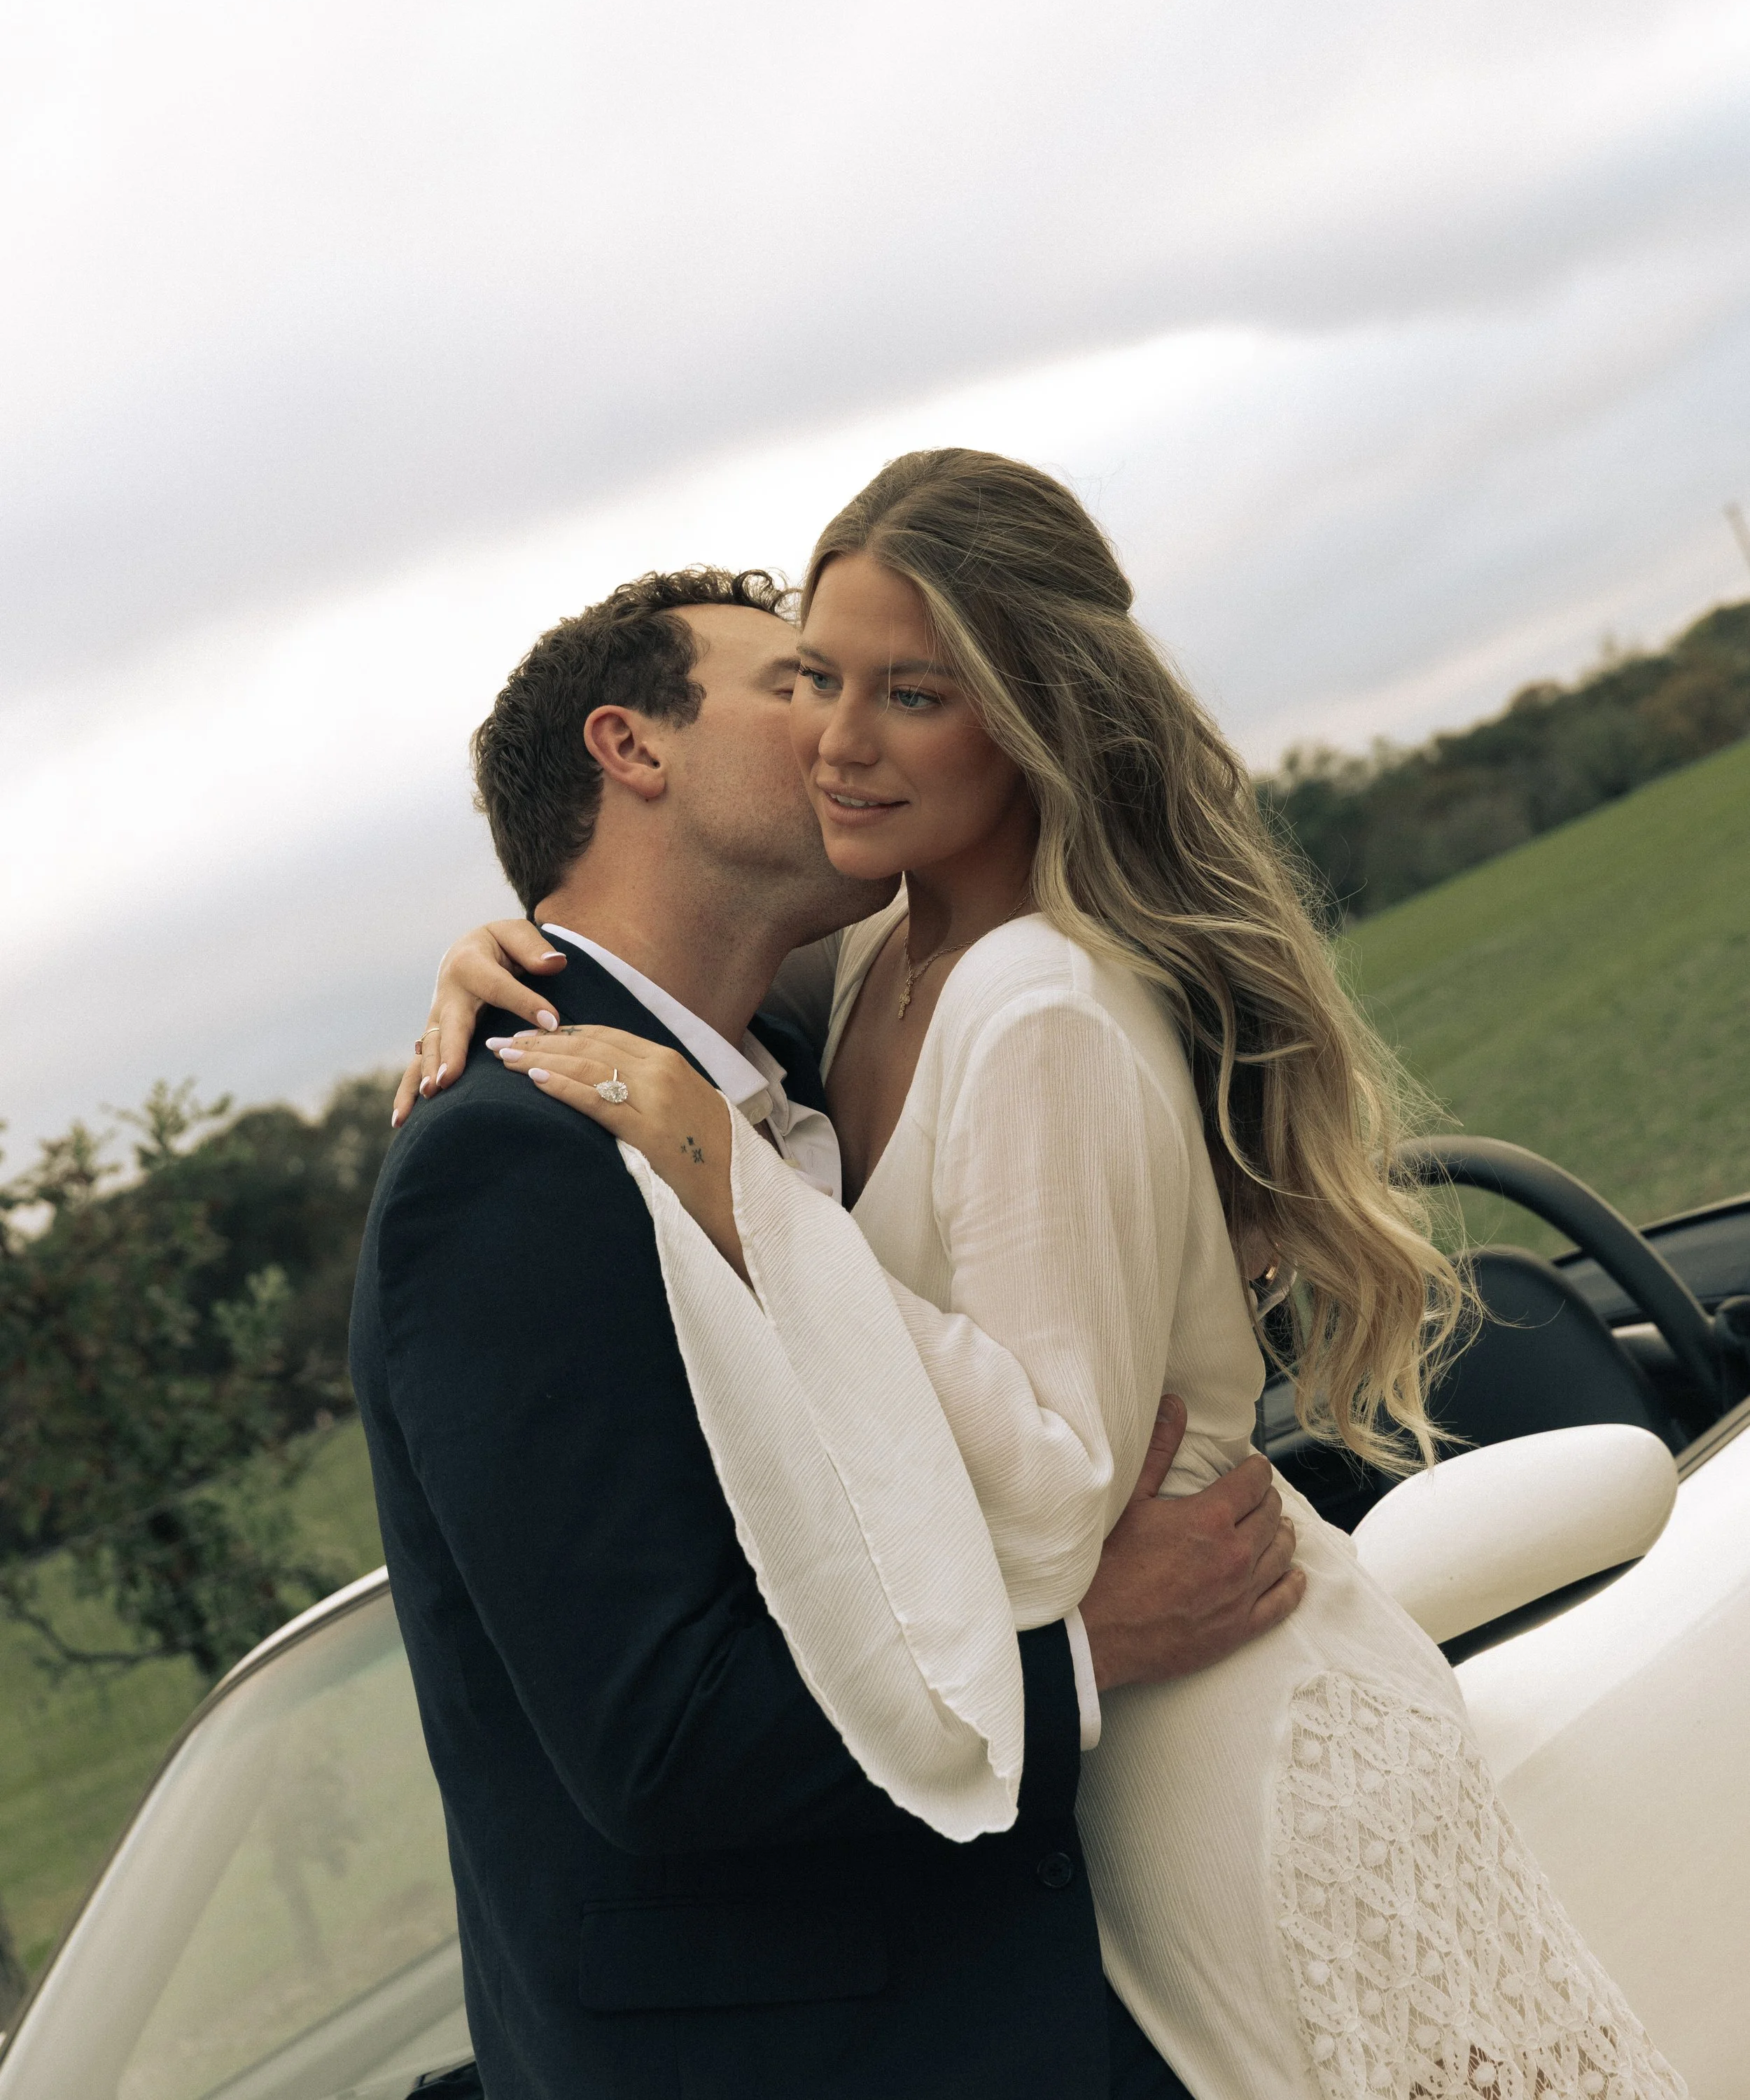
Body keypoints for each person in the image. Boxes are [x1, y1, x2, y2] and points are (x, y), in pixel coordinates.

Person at [412, 453, 1688, 2099]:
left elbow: (1062, 1491)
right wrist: (503, 961)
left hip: (1235, 1760)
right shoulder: (867, 972)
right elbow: (668, 966)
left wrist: (750, 1206)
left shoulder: (1034, 1006)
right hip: (1086, 1814)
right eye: (814, 679)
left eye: (907, 691)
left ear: (1022, 716)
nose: (837, 735)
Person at [351, 566, 1305, 2100]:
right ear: (631, 746)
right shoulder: (502, 1168)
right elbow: (658, 1737)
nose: (845, 731)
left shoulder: (807, 1050)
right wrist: (1087, 1648)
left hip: (1059, 1997)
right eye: (796, 682)